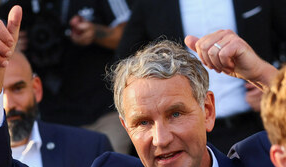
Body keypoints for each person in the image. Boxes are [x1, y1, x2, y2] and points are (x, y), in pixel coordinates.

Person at [0, 7, 285, 167]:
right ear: (126, 128)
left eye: (175, 114)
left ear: (208, 110)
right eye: (143, 122)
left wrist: (263, 75)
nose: (161, 138)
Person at [116, 0, 286, 154]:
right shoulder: (151, 4)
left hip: (256, 125)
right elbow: (127, 60)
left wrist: (271, 82)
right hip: (182, 134)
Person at [0, 0, 133, 154]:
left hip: (104, 111)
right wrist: (14, 47)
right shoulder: (13, 6)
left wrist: (95, 33)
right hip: (53, 120)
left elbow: (132, 33)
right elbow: (2, 61)